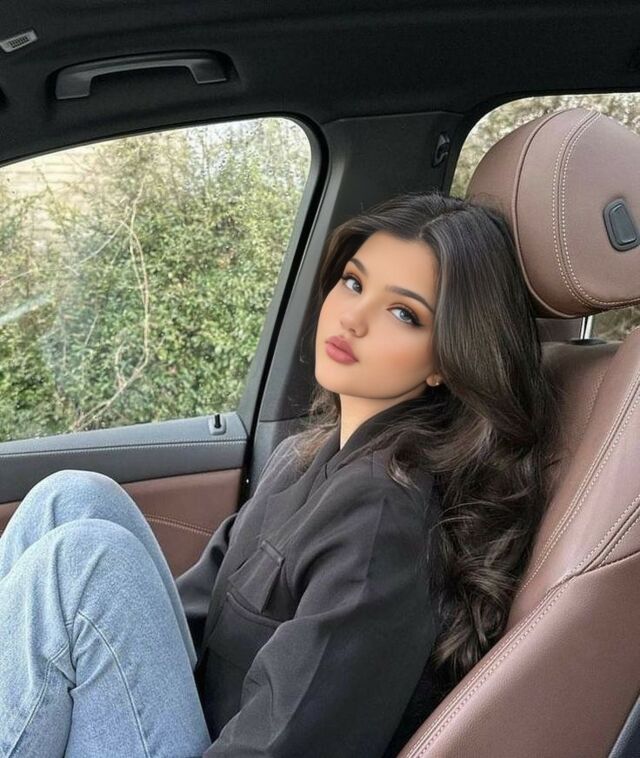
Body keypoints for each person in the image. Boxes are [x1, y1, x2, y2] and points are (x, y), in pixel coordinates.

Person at [0, 190, 561, 757]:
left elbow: (292, 742)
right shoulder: (303, 458)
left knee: (87, 560)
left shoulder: (381, 523)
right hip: (198, 720)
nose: (353, 318)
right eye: (354, 282)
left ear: (446, 358)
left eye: (402, 313)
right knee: (71, 497)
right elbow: (193, 619)